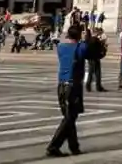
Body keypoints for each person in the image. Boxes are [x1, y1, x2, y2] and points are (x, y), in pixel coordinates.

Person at [47, 24, 88, 158]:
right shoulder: (80, 47)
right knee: (70, 118)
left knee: (70, 117)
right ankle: (53, 146)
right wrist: (88, 37)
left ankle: (74, 146)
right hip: (72, 87)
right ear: (78, 36)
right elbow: (91, 51)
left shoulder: (60, 47)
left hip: (61, 86)